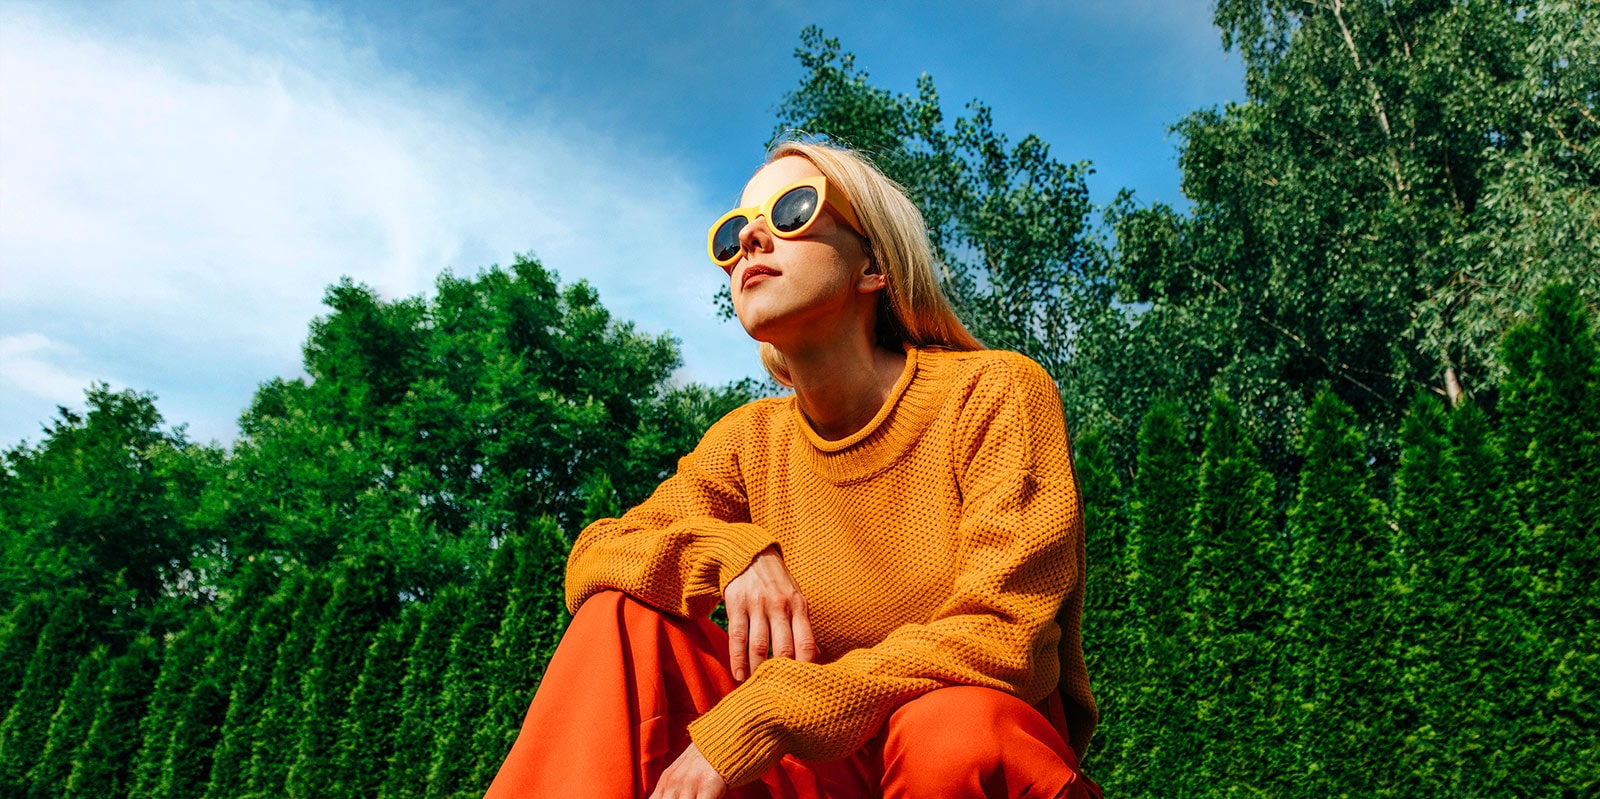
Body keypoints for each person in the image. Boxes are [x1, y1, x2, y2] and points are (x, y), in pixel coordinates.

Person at [483, 140, 1100, 799]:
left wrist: (765, 712)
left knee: (952, 727)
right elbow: (595, 557)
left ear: (874, 264)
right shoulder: (748, 441)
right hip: (823, 777)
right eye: (732, 233)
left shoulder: (994, 391)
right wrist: (733, 554)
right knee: (620, 616)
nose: (749, 239)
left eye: (792, 210)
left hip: (969, 763)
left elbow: (1003, 636)